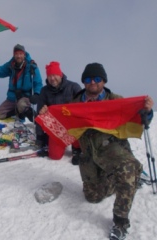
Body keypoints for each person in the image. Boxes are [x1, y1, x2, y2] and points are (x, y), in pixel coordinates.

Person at [39, 63, 154, 240]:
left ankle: (120, 222)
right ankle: (123, 181)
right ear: (83, 82)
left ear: (104, 81)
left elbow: (137, 115)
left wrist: (147, 111)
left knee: (127, 169)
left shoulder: (116, 101)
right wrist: (47, 114)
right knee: (93, 197)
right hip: (89, 154)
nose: (92, 82)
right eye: (88, 79)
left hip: (113, 150)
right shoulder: (75, 104)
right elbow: (61, 124)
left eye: (97, 79)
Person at [36, 61, 82, 163]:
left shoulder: (74, 87)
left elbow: (83, 109)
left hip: (74, 128)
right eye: (49, 76)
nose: (52, 78)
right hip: (57, 129)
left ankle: (77, 148)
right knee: (54, 156)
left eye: (54, 75)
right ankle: (59, 144)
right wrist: (40, 136)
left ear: (60, 74)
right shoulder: (44, 91)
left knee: (80, 143)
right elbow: (39, 115)